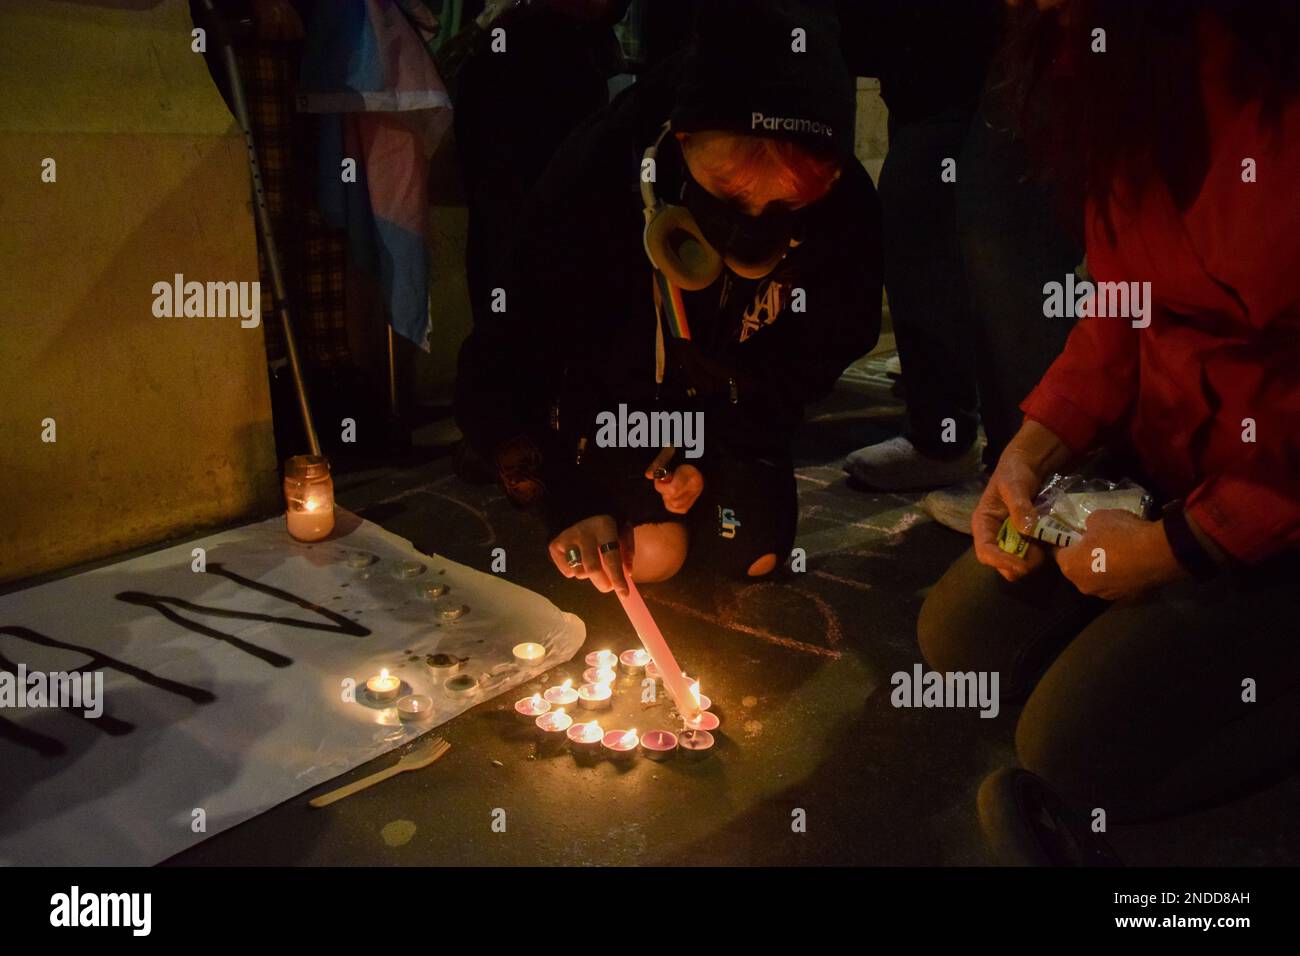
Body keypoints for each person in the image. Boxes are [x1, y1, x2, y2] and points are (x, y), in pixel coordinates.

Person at [918, 0, 1300, 831]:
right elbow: (1123, 307)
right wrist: (1033, 447)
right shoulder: (1093, 63)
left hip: (1274, 501)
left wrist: (1178, 549)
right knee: (960, 637)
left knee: (1071, 752)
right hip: (1172, 466)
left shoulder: (1266, 81)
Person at [454, 0, 883, 594]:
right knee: (645, 554)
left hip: (726, 411)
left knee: (751, 554)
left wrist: (713, 443)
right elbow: (495, 366)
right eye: (729, 190)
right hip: (605, 413)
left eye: (784, 205)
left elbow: (821, 351)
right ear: (682, 138)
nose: (751, 227)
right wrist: (566, 497)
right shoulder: (592, 177)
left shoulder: (844, 205)